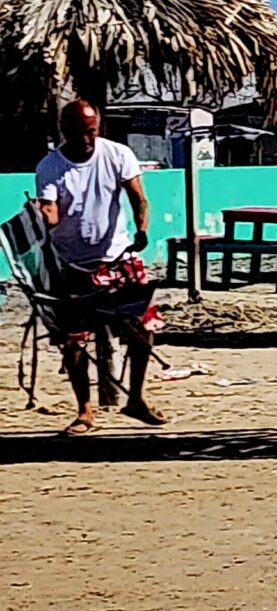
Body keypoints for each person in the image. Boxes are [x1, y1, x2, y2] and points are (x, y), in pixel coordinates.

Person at [33, 100, 166, 434]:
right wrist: (42, 216)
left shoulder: (118, 154)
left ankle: (135, 398)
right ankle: (85, 410)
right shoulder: (49, 167)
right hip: (73, 265)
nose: (87, 140)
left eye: (92, 132)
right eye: (80, 133)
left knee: (142, 330)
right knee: (74, 341)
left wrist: (142, 229)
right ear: (64, 131)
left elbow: (138, 197)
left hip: (119, 258)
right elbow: (50, 211)